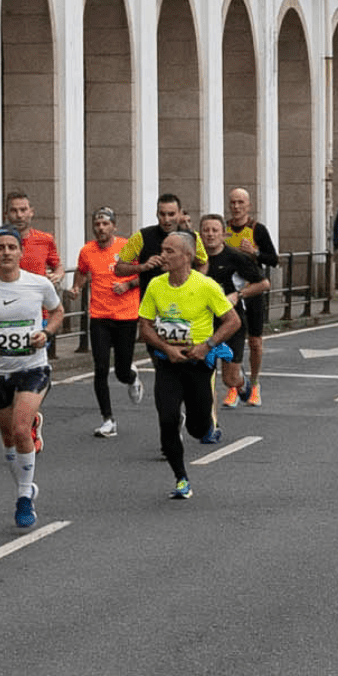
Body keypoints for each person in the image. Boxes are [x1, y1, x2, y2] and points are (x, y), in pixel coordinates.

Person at [0, 226, 64, 528]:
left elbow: (57, 312)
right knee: (8, 438)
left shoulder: (39, 284)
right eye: (0, 248)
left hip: (33, 368)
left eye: (11, 247)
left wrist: (45, 333)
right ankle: (25, 483)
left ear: (21, 252)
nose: (6, 252)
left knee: (21, 430)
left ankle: (23, 497)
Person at [138, 231, 241, 499]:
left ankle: (204, 424)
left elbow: (232, 321)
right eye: (163, 250)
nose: (163, 255)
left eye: (170, 251)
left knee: (197, 427)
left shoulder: (205, 286)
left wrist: (207, 345)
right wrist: (166, 348)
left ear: (187, 256)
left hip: (198, 365)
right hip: (169, 363)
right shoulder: (156, 285)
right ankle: (181, 477)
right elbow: (145, 327)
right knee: (168, 419)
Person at [74, 207, 144, 438]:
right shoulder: (87, 251)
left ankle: (132, 377)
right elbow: (82, 272)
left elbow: (145, 274)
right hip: (99, 316)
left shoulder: (127, 247)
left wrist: (128, 285)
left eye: (105, 224)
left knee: (122, 371)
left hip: (126, 315)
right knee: (101, 367)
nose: (101, 228)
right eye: (97, 224)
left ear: (114, 226)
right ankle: (108, 419)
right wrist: (76, 287)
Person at [199, 214, 270, 406]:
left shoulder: (235, 257)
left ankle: (243, 383)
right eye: (206, 230)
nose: (210, 235)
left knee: (229, 380)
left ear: (223, 234)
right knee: (203, 378)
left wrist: (238, 295)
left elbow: (264, 284)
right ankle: (208, 423)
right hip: (203, 323)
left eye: (215, 230)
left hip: (231, 323)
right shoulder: (195, 259)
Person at [225, 187, 278, 406]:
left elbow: (273, 259)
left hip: (252, 292)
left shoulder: (258, 229)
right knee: (228, 343)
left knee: (255, 342)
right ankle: (233, 387)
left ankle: (254, 384)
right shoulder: (224, 230)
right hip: (229, 294)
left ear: (249, 206)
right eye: (233, 203)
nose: (236, 207)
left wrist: (254, 252)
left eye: (241, 203)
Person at [0, 191, 64, 284]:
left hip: (36, 294)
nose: (19, 215)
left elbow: (58, 267)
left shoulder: (46, 239)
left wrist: (57, 276)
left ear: (31, 212)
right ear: (6, 214)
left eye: (23, 210)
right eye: (14, 211)